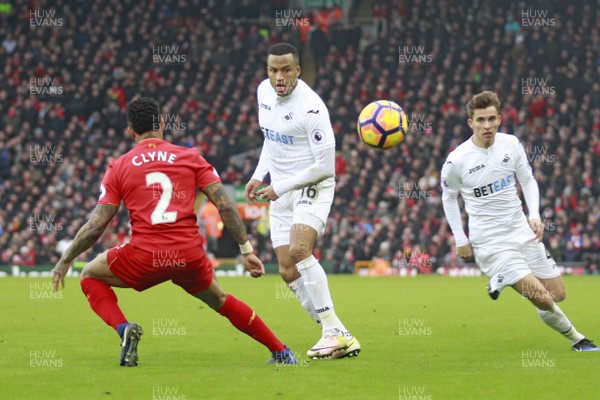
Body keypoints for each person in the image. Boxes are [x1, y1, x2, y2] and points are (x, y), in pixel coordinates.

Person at [51, 97, 298, 366]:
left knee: (89, 274)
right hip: (188, 256)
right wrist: (246, 249)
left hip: (144, 257)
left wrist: (65, 261)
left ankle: (124, 330)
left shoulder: (119, 165)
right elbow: (225, 205)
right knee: (221, 300)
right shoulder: (191, 157)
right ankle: (282, 352)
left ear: (130, 130)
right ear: (163, 123)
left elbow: (96, 226)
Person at [440, 91, 598, 352]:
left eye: (491, 119)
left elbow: (528, 180)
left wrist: (534, 216)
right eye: (480, 120)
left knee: (557, 294)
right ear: (471, 123)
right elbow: (448, 198)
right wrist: (460, 239)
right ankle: (577, 339)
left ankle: (499, 279)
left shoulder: (511, 144)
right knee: (540, 298)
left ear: (500, 119)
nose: (487, 125)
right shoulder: (457, 160)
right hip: (490, 241)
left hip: (521, 230)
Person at [244, 43, 360, 359]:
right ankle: (337, 332)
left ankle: (332, 333)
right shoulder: (263, 94)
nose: (278, 77)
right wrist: (259, 174)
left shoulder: (312, 108)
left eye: (285, 70)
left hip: (313, 185)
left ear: (297, 70)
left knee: (299, 250)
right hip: (279, 187)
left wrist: (280, 186)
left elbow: (325, 167)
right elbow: (270, 138)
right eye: (272, 70)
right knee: (285, 269)